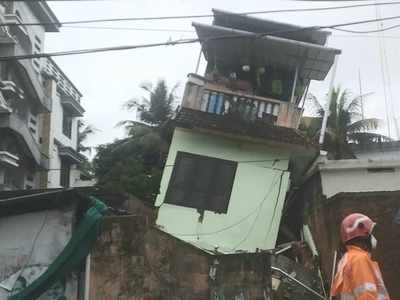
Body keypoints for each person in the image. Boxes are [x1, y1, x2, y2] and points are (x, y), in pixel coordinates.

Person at [331, 213, 390, 300]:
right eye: (370, 234)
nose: (373, 237)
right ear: (363, 237)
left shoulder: (347, 259)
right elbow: (367, 295)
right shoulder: (359, 260)